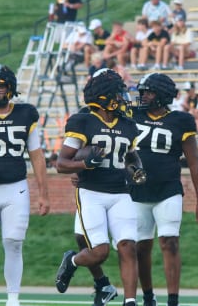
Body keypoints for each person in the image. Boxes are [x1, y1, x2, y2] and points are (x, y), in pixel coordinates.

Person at [54, 69, 145, 306]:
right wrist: (84, 163)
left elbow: (131, 156)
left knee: (128, 247)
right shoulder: (83, 121)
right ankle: (72, 261)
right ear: (105, 97)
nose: (123, 98)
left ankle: (131, 301)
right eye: (118, 93)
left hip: (120, 192)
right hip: (91, 193)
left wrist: (137, 170)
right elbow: (61, 163)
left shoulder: (127, 124)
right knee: (100, 252)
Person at [0, 65, 50, 305]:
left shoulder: (25, 113)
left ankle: (13, 299)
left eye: (0, 86)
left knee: (14, 242)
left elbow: (36, 155)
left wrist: (43, 194)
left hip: (17, 186)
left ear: (10, 88)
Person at [130, 73, 198, 306]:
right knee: (141, 247)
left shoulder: (181, 120)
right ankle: (148, 296)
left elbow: (194, 162)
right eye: (142, 92)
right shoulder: (131, 115)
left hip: (168, 189)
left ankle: (173, 300)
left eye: (148, 92)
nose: (143, 96)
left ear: (162, 95)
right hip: (136, 190)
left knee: (170, 242)